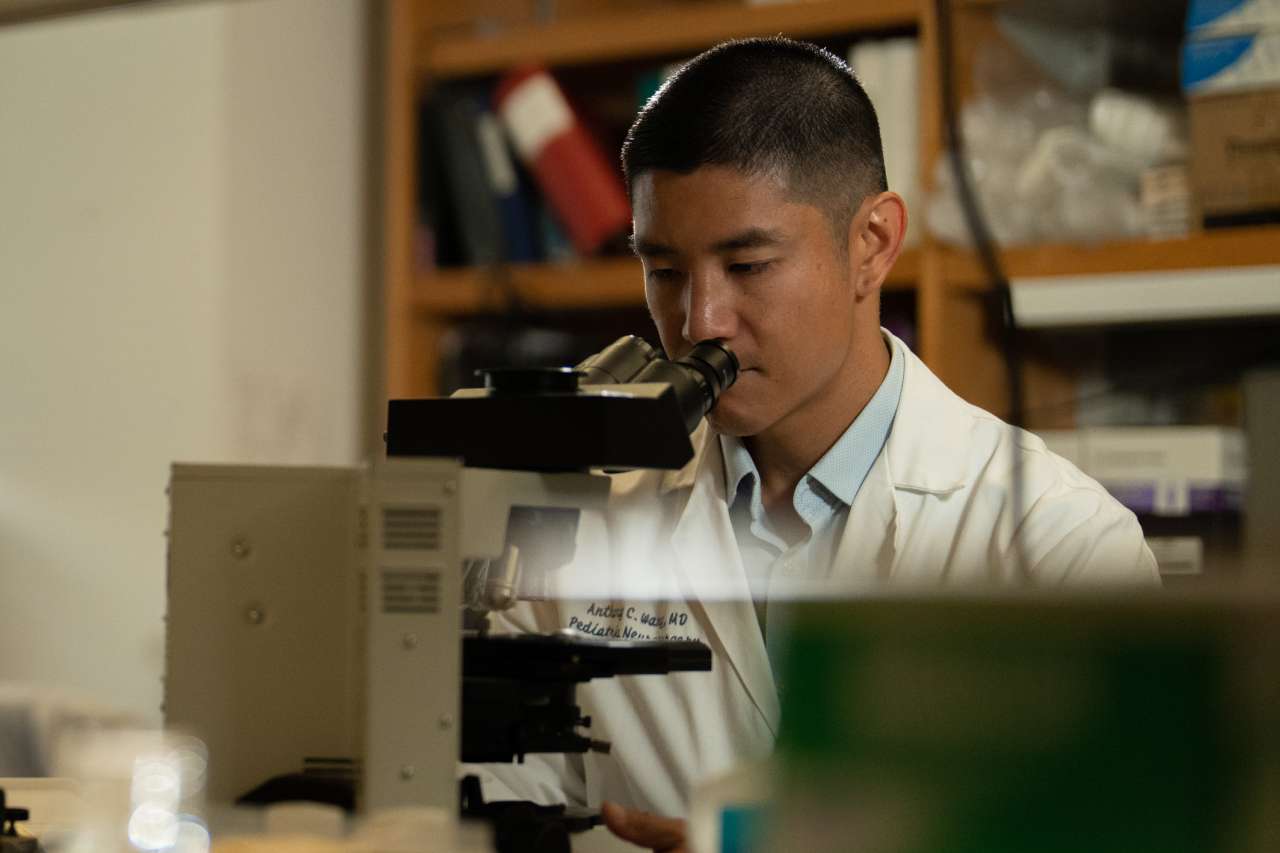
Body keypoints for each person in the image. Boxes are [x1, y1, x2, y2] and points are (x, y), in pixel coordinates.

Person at [470, 37, 1159, 852]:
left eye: (749, 264)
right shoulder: (573, 520)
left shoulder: (1059, 545)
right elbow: (482, 805)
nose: (699, 322)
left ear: (872, 243)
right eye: (663, 270)